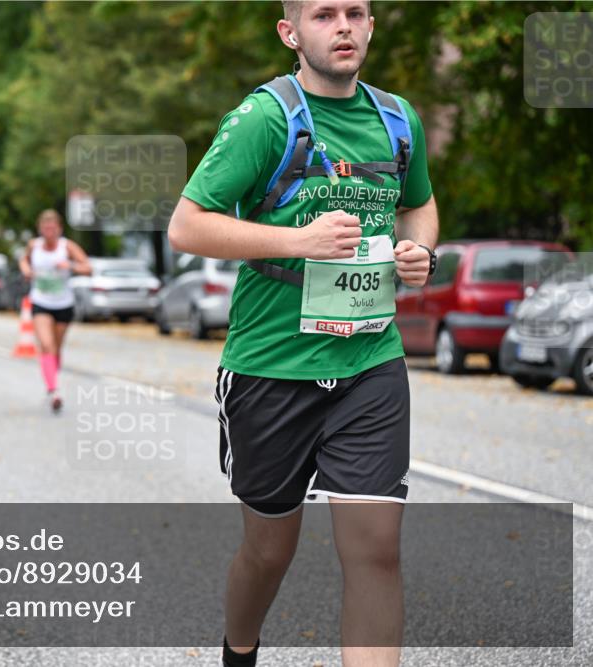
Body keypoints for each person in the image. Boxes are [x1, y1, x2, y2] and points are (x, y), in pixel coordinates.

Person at [167, 2, 438, 666]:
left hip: (371, 359)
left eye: (356, 13)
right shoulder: (264, 118)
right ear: (291, 33)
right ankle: (239, 649)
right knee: (268, 550)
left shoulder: (398, 120)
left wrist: (417, 251)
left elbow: (420, 204)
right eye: (323, 15)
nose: (342, 26)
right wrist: (300, 239)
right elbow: (187, 224)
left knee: (376, 547)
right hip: (270, 365)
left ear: (371, 27)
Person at [18, 209, 91, 414]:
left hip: (63, 304)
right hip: (40, 301)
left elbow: (87, 267)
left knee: (57, 349)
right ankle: (54, 390)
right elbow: (24, 260)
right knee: (47, 345)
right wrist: (26, 270)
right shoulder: (34, 245)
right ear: (40, 229)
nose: (49, 231)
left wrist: (70, 265)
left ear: (59, 229)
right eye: (45, 228)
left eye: (53, 228)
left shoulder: (66, 246)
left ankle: (52, 380)